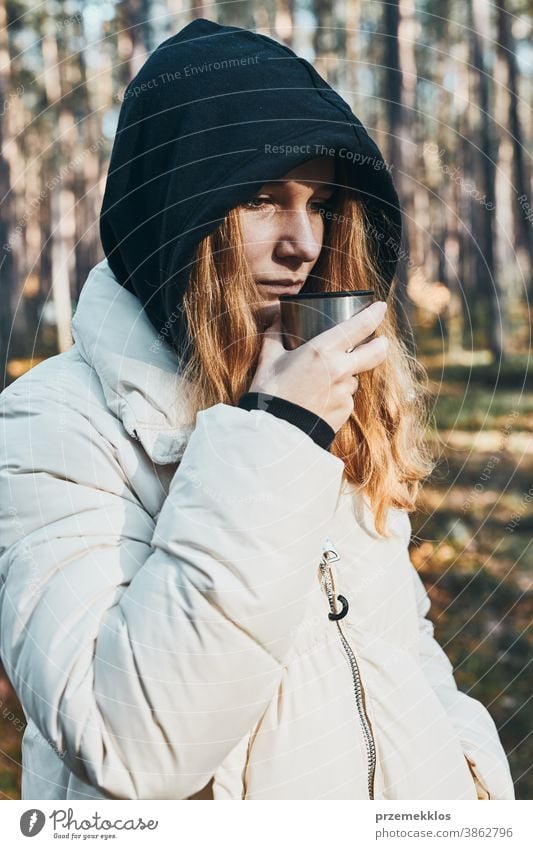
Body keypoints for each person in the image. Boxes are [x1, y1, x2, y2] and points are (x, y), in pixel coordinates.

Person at [0, 18, 514, 801]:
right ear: (174, 207)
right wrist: (276, 433)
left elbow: (399, 639)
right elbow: (126, 738)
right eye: (261, 199)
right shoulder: (51, 425)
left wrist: (473, 787)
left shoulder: (311, 372)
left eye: (320, 202)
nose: (303, 242)